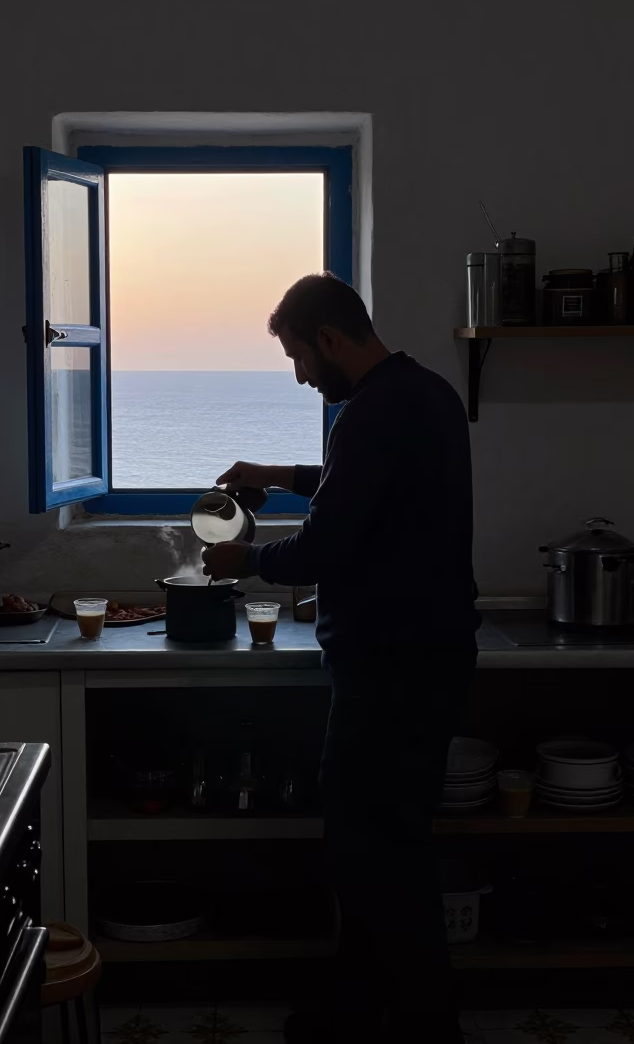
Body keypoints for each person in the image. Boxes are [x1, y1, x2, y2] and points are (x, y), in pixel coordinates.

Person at [203, 272, 479, 1044]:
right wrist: (278, 477)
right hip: (430, 657)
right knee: (382, 847)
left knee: (376, 854)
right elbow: (363, 492)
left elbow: (326, 546)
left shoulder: (365, 415)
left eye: (298, 357)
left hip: (390, 668)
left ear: (328, 340)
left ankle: (426, 1028)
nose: (300, 375)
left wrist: (245, 560)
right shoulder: (425, 396)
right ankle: (358, 1011)